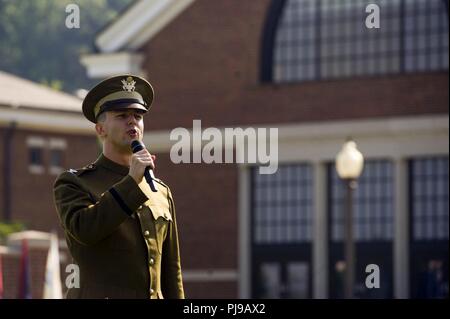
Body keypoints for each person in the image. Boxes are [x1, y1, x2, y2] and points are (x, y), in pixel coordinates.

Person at [53, 75, 184, 299]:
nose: (132, 121)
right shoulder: (74, 183)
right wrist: (132, 181)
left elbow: (172, 272)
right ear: (101, 129)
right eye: (122, 116)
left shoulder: (161, 191)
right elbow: (85, 231)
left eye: (138, 115)